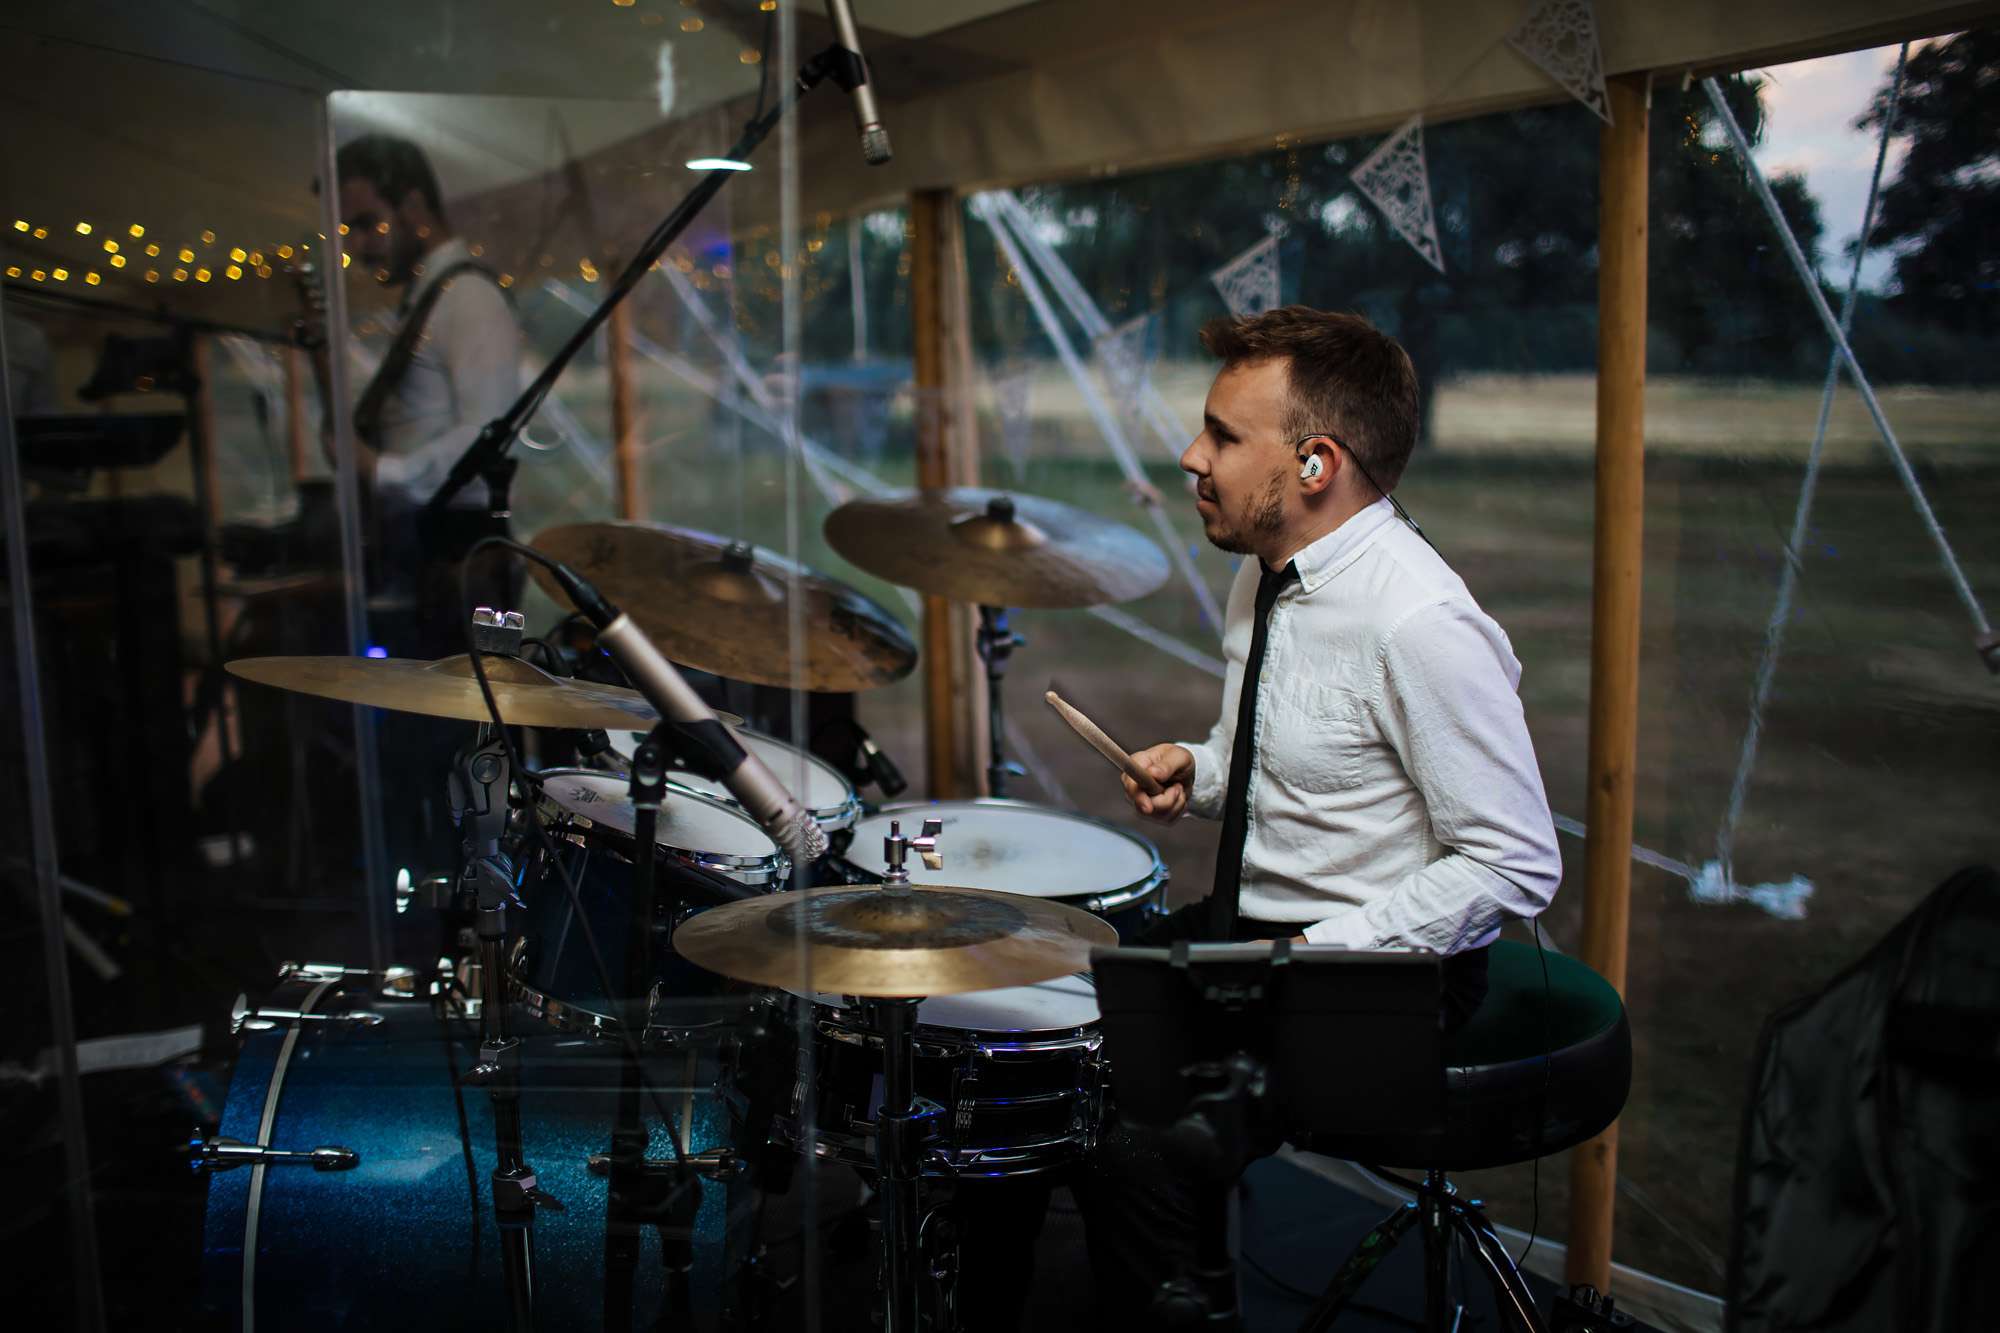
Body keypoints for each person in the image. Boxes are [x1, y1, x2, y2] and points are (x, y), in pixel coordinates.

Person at [1079, 306, 1562, 1314]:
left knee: (1142, 1145)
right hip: (1257, 934)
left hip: (1380, 975)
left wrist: (1318, 949)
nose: (1188, 455)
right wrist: (1199, 770)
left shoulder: (1418, 621)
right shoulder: (1261, 576)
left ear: (1313, 464)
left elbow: (1514, 862)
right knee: (1077, 1041)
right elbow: (1301, 753)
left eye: (1220, 435)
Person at [325, 134, 526, 884]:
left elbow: (484, 433)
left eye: (368, 222)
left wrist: (388, 472)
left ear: (415, 205)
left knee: (460, 752)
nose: (359, 244)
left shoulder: (466, 297)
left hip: (462, 555)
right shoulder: (426, 301)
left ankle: (471, 905)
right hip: (426, 549)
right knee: (423, 748)